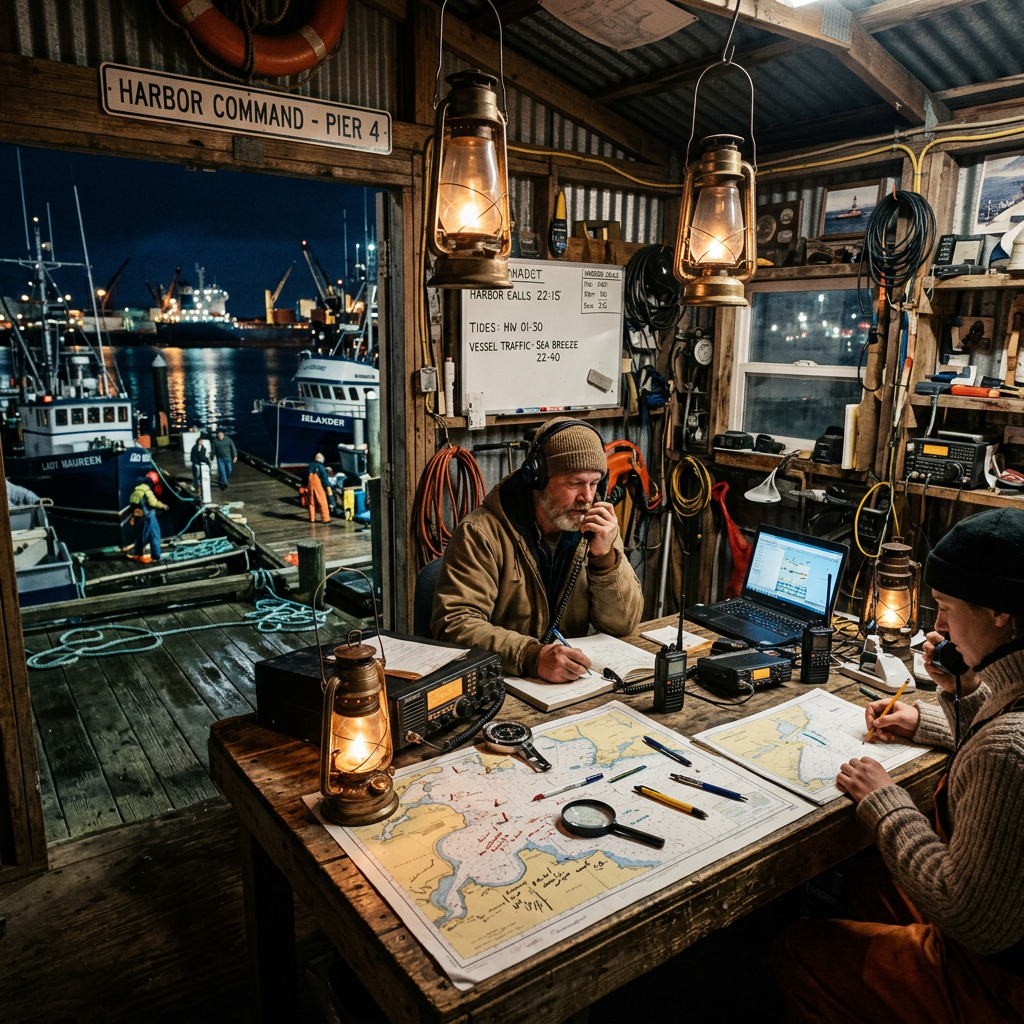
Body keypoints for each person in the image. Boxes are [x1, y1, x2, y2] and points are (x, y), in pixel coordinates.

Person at [775, 507, 1024, 1023]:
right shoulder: (1011, 695)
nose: (938, 626)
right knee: (867, 883)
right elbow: (1000, 720)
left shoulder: (1007, 753)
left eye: (946, 608)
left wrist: (885, 802)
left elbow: (972, 918)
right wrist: (948, 704)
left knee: (801, 947)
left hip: (1002, 979)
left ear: (1000, 611)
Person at [431, 418, 644, 682]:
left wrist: (605, 559)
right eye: (575, 483)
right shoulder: (481, 533)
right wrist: (530, 656)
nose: (587, 498)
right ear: (537, 478)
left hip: (570, 684)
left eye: (594, 484)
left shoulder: (598, 528)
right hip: (503, 683)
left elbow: (623, 624)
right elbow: (454, 625)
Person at [128, 470, 168, 562]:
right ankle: (156, 557)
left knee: (140, 536)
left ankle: (138, 554)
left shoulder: (136, 491)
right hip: (148, 517)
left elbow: (132, 504)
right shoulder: (147, 490)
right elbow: (153, 502)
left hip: (138, 516)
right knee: (154, 535)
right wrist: (163, 506)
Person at [306, 452, 331, 524]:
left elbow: (305, 475)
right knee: (322, 501)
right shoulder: (321, 467)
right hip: (317, 485)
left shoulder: (310, 466)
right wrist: (327, 486)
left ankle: (312, 518)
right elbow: (324, 478)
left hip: (310, 484)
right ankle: (326, 519)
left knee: (311, 502)